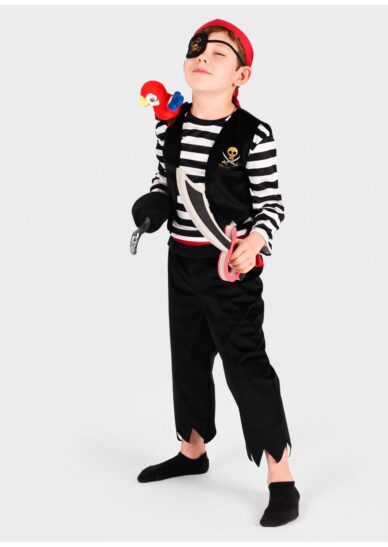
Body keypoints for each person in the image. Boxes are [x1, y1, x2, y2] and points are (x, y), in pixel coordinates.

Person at [132, 18, 300, 527]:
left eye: (218, 53)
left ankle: (281, 476)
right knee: (186, 356)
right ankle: (192, 450)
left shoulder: (253, 135)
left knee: (246, 365)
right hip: (180, 261)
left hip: (229, 269)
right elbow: (165, 178)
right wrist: (155, 203)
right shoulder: (170, 126)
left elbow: (272, 206)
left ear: (240, 76)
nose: (202, 56)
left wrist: (254, 242)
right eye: (196, 48)